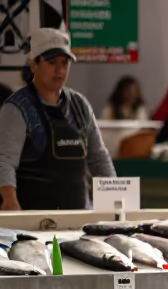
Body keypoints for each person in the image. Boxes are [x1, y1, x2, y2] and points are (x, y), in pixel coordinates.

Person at [0, 28, 114, 211]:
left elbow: (98, 157)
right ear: (34, 64)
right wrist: (9, 200)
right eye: (52, 62)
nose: (60, 70)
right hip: (35, 221)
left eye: (65, 63)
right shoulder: (16, 108)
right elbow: (4, 161)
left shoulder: (80, 105)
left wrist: (114, 199)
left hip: (78, 218)